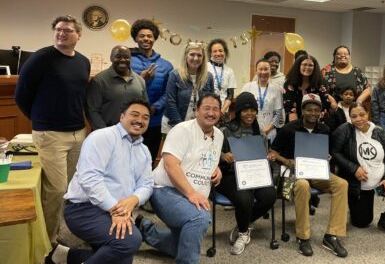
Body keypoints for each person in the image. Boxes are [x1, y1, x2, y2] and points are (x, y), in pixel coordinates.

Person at [15, 15, 90, 244]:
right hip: (50, 135)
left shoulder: (83, 62)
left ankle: (54, 233)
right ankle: (46, 243)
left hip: (78, 134)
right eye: (58, 29)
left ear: (78, 35)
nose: (61, 34)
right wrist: (41, 121)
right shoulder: (41, 58)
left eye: (67, 30)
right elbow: (21, 96)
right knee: (55, 190)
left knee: (66, 189)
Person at [48, 100, 154, 264]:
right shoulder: (102, 137)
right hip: (83, 208)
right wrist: (116, 210)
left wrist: (134, 199)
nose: (140, 120)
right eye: (134, 114)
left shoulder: (144, 151)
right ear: (122, 116)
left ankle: (64, 256)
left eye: (145, 117)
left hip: (117, 209)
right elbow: (89, 179)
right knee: (130, 241)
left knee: (121, 257)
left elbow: (147, 185)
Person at [137, 94, 224, 263]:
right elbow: (171, 165)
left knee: (182, 245)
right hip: (164, 189)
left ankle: (144, 228)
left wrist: (216, 168)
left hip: (190, 195)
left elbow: (205, 155)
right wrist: (191, 193)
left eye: (215, 109)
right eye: (206, 108)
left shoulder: (219, 135)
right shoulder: (182, 130)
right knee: (200, 218)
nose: (211, 113)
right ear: (197, 111)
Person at [270, 94, 348, 258]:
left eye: (316, 110)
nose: (313, 113)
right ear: (302, 111)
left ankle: (331, 235)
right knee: (303, 185)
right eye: (309, 110)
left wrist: (327, 157)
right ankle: (302, 237)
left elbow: (328, 152)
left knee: (341, 184)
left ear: (321, 112)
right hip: (293, 173)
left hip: (316, 170)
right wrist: (287, 161)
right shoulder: (288, 128)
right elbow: (272, 152)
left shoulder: (325, 129)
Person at [332, 103, 385, 237]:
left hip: (381, 177)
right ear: (350, 118)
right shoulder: (344, 130)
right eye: (354, 116)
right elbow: (335, 152)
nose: (358, 119)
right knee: (361, 222)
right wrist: (353, 168)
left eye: (362, 115)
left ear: (368, 114)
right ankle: (357, 204)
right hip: (359, 185)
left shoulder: (380, 131)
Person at [217, 92, 277, 255]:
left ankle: (244, 222)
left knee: (270, 195)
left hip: (254, 174)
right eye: (245, 110)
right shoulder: (225, 131)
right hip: (230, 175)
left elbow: (263, 157)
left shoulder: (261, 134)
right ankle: (243, 233)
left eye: (252, 110)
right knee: (245, 198)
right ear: (238, 112)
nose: (249, 114)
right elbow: (213, 154)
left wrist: (269, 158)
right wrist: (224, 156)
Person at [130, 19, 174, 165]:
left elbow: (168, 92)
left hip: (154, 121)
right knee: (128, 160)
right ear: (136, 38)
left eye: (149, 36)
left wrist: (155, 108)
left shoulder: (166, 65)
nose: (146, 39)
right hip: (131, 119)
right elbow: (121, 88)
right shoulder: (127, 60)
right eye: (141, 36)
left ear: (154, 38)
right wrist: (141, 79)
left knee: (148, 160)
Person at [86, 45, 148, 130]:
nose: (122, 60)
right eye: (118, 57)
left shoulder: (140, 80)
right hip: (107, 133)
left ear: (130, 59)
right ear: (111, 58)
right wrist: (104, 133)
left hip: (132, 134)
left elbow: (144, 108)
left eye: (126, 57)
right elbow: (92, 110)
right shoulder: (99, 80)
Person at [163, 42, 214, 132]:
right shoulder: (175, 75)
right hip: (174, 123)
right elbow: (170, 102)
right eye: (192, 55)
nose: (195, 58)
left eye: (199, 55)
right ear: (186, 56)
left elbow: (210, 103)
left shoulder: (208, 77)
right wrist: (180, 126)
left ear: (203, 58)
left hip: (198, 125)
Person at [242, 59, 283, 143]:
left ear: (270, 71)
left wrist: (265, 131)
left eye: (266, 69)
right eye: (260, 69)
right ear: (256, 71)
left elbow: (278, 113)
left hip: (269, 133)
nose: (263, 72)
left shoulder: (276, 89)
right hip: (249, 132)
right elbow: (241, 111)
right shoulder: (247, 87)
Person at [283, 54, 333, 122]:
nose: (307, 67)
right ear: (298, 66)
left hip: (317, 121)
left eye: (310, 65)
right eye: (304, 64)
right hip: (295, 121)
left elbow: (323, 106)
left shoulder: (320, 82)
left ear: (315, 67)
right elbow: (290, 108)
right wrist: (296, 129)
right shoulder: (289, 83)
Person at [207, 38, 237, 120]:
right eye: (215, 51)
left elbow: (230, 95)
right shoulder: (205, 67)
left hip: (224, 113)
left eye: (220, 51)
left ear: (225, 52)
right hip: (207, 112)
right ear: (210, 53)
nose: (218, 53)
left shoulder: (229, 71)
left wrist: (221, 112)